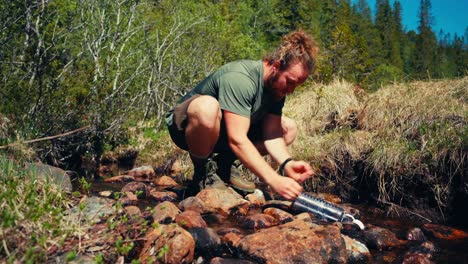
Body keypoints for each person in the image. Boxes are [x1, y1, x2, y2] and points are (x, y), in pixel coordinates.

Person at [165, 30, 318, 200]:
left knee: (288, 128)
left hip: (224, 132)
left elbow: (273, 135)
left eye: (297, 85)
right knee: (206, 107)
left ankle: (224, 164)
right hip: (187, 128)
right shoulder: (241, 78)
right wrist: (274, 179)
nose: (291, 90)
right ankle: (202, 173)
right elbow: (237, 140)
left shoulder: (277, 89)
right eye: (290, 82)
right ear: (275, 66)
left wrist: (288, 163)